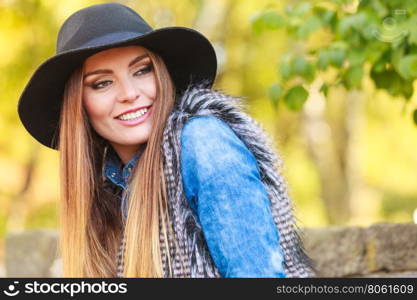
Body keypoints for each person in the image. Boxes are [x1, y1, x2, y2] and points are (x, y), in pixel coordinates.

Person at [17, 2, 314, 278]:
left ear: (162, 75)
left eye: (142, 70)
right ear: (78, 105)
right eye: (102, 83)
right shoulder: (106, 184)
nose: (129, 93)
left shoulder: (204, 141)